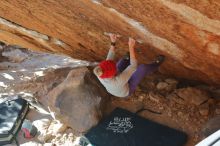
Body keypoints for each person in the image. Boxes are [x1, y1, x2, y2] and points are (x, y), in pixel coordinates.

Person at [93, 33, 165, 98]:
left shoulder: (99, 71)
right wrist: (131, 46)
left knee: (123, 60)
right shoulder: (117, 82)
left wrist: (113, 42)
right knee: (143, 68)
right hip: (126, 90)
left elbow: (109, 60)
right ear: (114, 72)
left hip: (116, 83)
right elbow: (133, 66)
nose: (115, 65)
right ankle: (157, 64)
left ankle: (127, 58)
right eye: (115, 68)